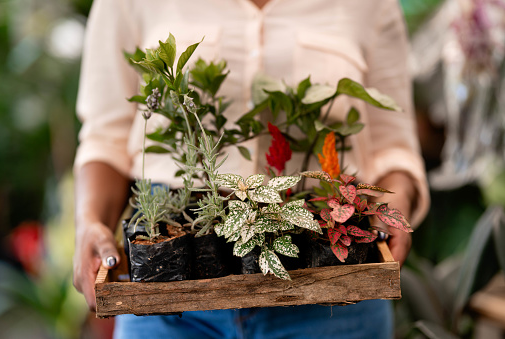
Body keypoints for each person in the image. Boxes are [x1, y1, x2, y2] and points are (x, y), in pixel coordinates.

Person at [73, 0, 430, 338]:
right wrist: (90, 222)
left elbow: (393, 149)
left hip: (333, 292)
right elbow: (106, 139)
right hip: (167, 295)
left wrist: (391, 214)